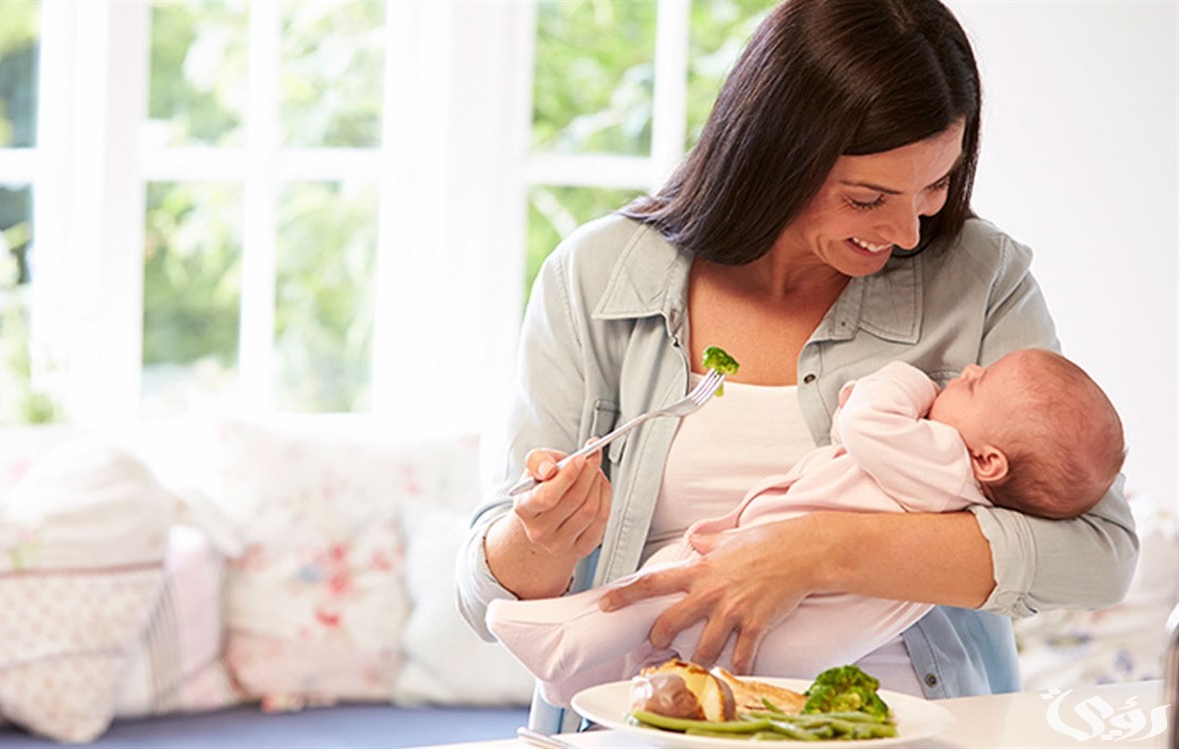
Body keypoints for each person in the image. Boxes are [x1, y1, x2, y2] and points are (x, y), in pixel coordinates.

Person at [455, 0, 1137, 734]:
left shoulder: (978, 277)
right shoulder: (597, 275)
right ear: (775, 155)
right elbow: (481, 597)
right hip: (653, 721)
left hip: (911, 728)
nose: (908, 231)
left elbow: (1099, 554)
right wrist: (541, 537)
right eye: (868, 198)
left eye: (935, 187)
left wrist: (814, 551)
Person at [483, 351, 1126, 706]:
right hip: (811, 643)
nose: (964, 373)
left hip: (776, 591)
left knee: (656, 591)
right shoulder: (965, 491)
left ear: (989, 461)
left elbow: (866, 422)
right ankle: (578, 677)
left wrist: (904, 378)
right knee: (661, 648)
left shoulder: (942, 458)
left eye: (977, 386)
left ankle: (557, 642)